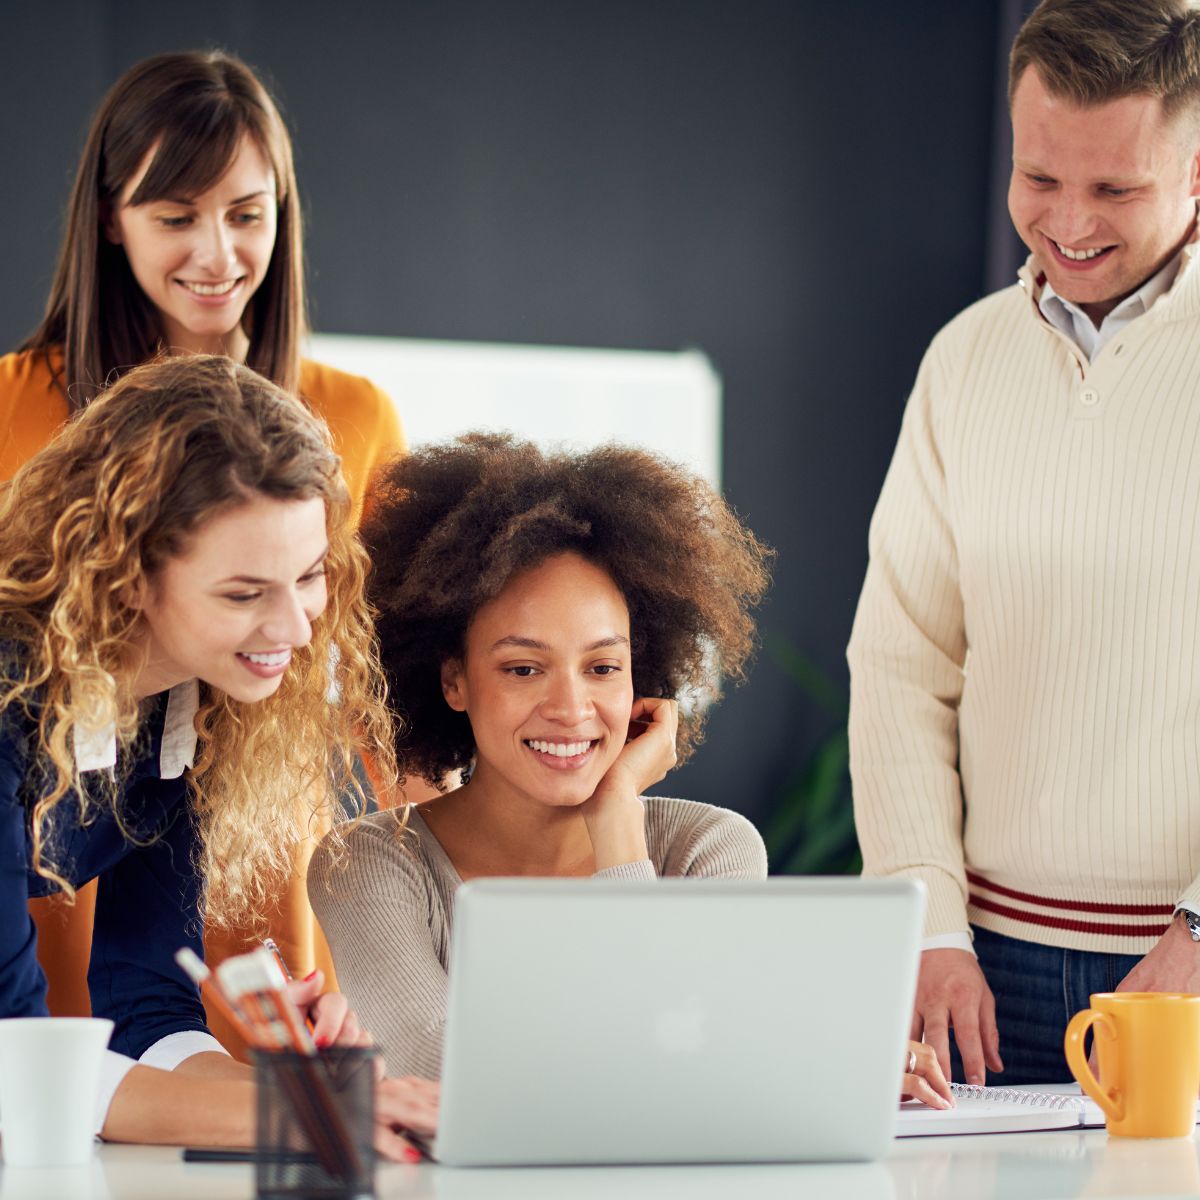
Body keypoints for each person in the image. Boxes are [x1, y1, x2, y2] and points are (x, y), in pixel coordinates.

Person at [309, 435, 953, 1111]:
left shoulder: (712, 850)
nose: (570, 708)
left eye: (603, 668)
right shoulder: (367, 866)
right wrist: (758, 1053)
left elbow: (684, 1070)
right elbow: (442, 1074)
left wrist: (617, 818)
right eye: (523, 668)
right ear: (454, 680)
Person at [1, 49, 406, 1046]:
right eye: (175, 216)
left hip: (239, 842)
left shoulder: (352, 420)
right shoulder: (11, 407)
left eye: (245, 213)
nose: (216, 253)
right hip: (37, 871)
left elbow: (380, 706)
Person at [848, 0, 1200, 1088]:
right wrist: (928, 923)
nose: (1069, 222)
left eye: (1115, 188)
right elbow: (905, 662)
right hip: (985, 979)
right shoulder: (963, 362)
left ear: (1197, 172)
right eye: (1040, 178)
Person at [0, 354, 435, 1154]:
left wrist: (315, 1093)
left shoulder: (189, 705)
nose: (298, 630)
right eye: (244, 594)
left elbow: (143, 1004)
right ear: (124, 571)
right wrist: (308, 1114)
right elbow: (12, 1058)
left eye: (308, 578)